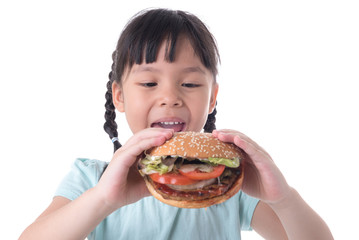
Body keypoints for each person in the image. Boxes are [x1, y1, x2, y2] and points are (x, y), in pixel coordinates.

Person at [19, 8, 333, 240]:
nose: (170, 97)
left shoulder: (226, 183)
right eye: (149, 83)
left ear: (211, 99)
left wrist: (283, 198)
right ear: (120, 96)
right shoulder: (91, 178)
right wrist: (102, 198)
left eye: (190, 84)